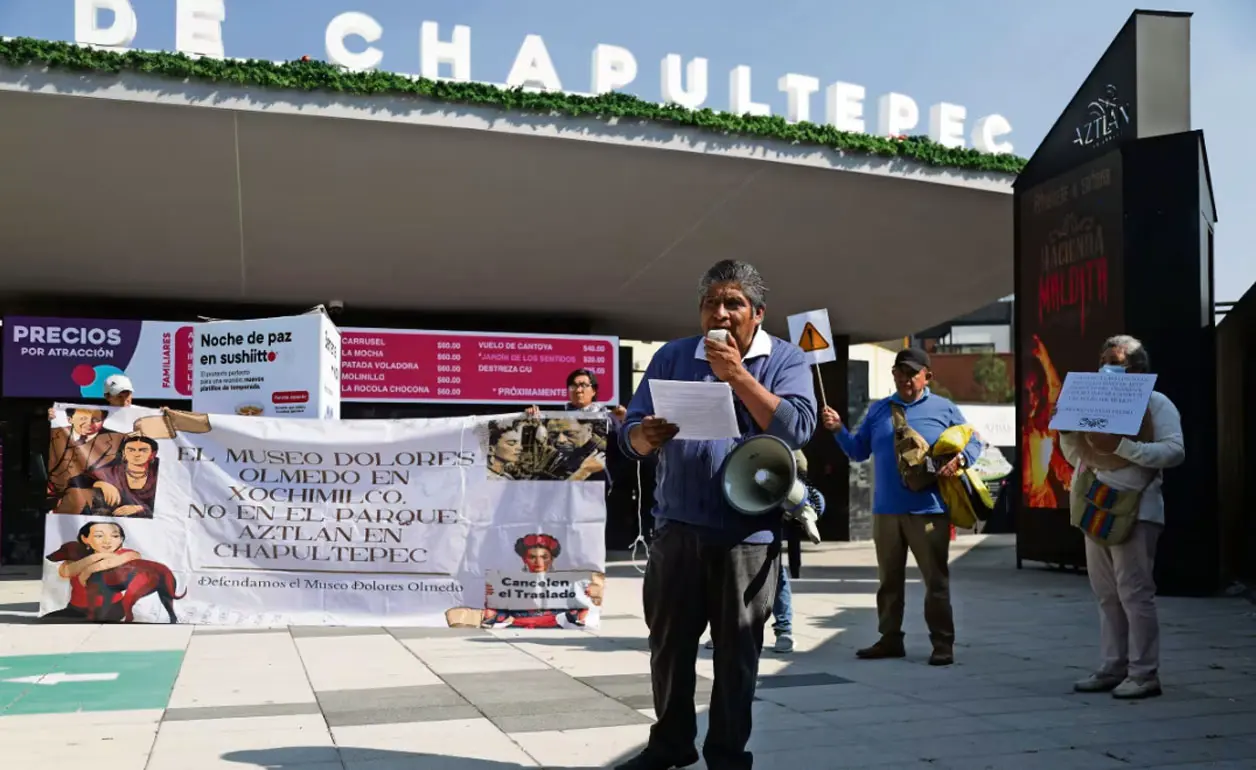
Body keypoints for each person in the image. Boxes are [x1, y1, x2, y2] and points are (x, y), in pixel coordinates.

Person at [614, 260, 817, 770]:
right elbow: (630, 432)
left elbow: (797, 428)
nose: (720, 314)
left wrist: (736, 374)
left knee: (736, 654)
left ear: (757, 314)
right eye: (711, 303)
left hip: (746, 536)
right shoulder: (673, 355)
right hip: (676, 530)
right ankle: (671, 744)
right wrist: (642, 436)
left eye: (734, 304)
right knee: (669, 647)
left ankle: (727, 754)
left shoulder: (786, 359)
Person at [821, 347, 981, 666]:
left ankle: (943, 644)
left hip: (930, 510)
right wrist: (838, 429)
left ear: (927, 376)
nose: (904, 378)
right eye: (899, 372)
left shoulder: (944, 408)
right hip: (886, 512)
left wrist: (960, 460)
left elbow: (974, 442)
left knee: (935, 581)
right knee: (888, 582)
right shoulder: (880, 410)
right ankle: (890, 639)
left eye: (911, 373)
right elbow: (857, 451)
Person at [1059, 335, 1184, 700]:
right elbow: (1076, 455)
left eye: (1116, 361)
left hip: (1137, 508)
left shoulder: (1156, 402)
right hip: (1096, 506)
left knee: (1134, 592)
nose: (1106, 367)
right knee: (1106, 593)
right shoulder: (1090, 399)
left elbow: (1175, 451)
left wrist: (1123, 446)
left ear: (1139, 369)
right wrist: (1068, 432)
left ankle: (1144, 674)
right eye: (1103, 360)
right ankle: (1113, 666)